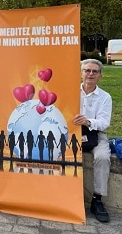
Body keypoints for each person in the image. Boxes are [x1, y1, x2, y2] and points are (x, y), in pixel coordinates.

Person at [73, 59, 112, 223]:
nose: (90, 74)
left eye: (94, 72)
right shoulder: (72, 91)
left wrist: (88, 121)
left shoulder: (105, 97)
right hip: (74, 132)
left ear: (100, 76)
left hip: (97, 133)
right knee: (59, 152)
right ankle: (67, 194)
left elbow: (105, 122)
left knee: (102, 157)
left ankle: (97, 200)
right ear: (81, 73)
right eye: (87, 70)